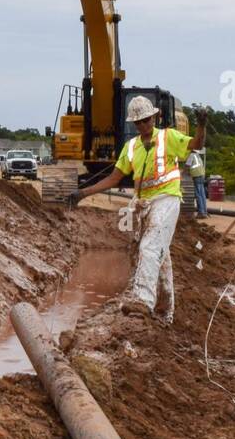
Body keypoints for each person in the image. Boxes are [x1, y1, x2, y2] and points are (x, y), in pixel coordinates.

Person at [69, 97, 208, 324]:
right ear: (134, 124)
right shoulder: (130, 147)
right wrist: (83, 193)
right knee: (160, 257)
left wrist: (202, 125)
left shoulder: (168, 137)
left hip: (167, 199)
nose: (143, 125)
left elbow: (196, 145)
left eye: (146, 120)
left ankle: (142, 302)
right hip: (143, 204)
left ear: (154, 118)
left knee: (149, 248)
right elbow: (114, 178)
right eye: (139, 122)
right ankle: (165, 313)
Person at [187, 148, 207, 218]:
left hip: (197, 176)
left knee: (198, 194)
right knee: (202, 194)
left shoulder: (191, 155)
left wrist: (182, 174)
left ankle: (201, 213)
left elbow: (187, 166)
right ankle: (204, 211)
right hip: (202, 175)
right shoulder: (198, 156)